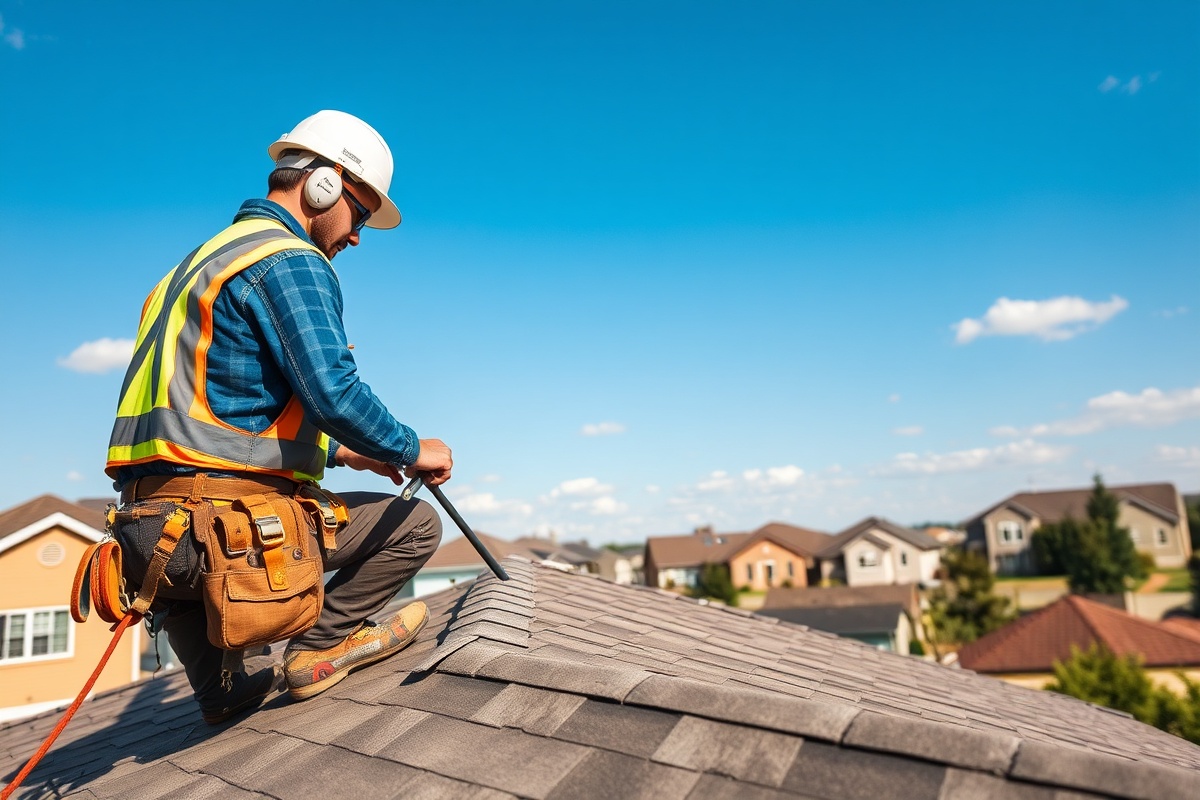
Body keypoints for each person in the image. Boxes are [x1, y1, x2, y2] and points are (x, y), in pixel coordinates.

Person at [105, 110, 451, 723]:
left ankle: (222, 689)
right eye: (361, 214)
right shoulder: (289, 258)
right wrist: (408, 447)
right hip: (227, 530)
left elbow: (219, 426)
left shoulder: (192, 267)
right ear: (323, 183)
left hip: (152, 540)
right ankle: (317, 647)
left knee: (233, 691)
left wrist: (343, 453)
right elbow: (334, 393)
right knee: (416, 525)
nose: (357, 237)